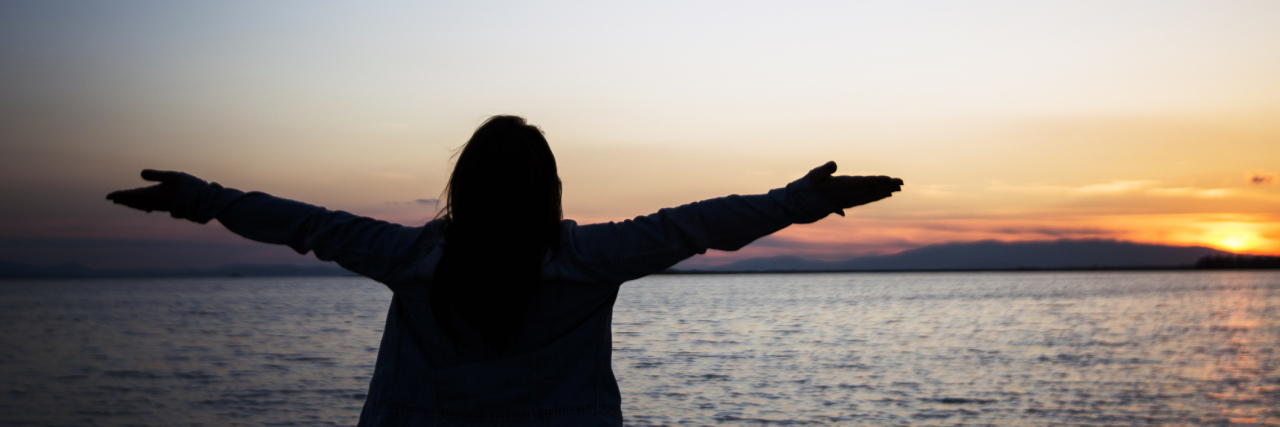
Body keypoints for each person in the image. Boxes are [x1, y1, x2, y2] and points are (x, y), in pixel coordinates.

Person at [106, 115, 903, 426]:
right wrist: (799, 200)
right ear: (550, 190)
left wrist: (199, 198)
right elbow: (702, 225)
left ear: (463, 190)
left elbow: (305, 224)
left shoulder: (412, 258)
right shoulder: (589, 261)